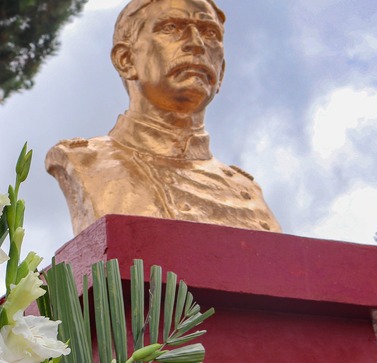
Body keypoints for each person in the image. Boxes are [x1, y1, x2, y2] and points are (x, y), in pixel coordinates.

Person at [46, 0, 282, 235]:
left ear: (221, 73)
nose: (196, 44)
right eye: (171, 28)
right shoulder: (85, 161)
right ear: (125, 60)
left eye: (210, 32)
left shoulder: (246, 189)